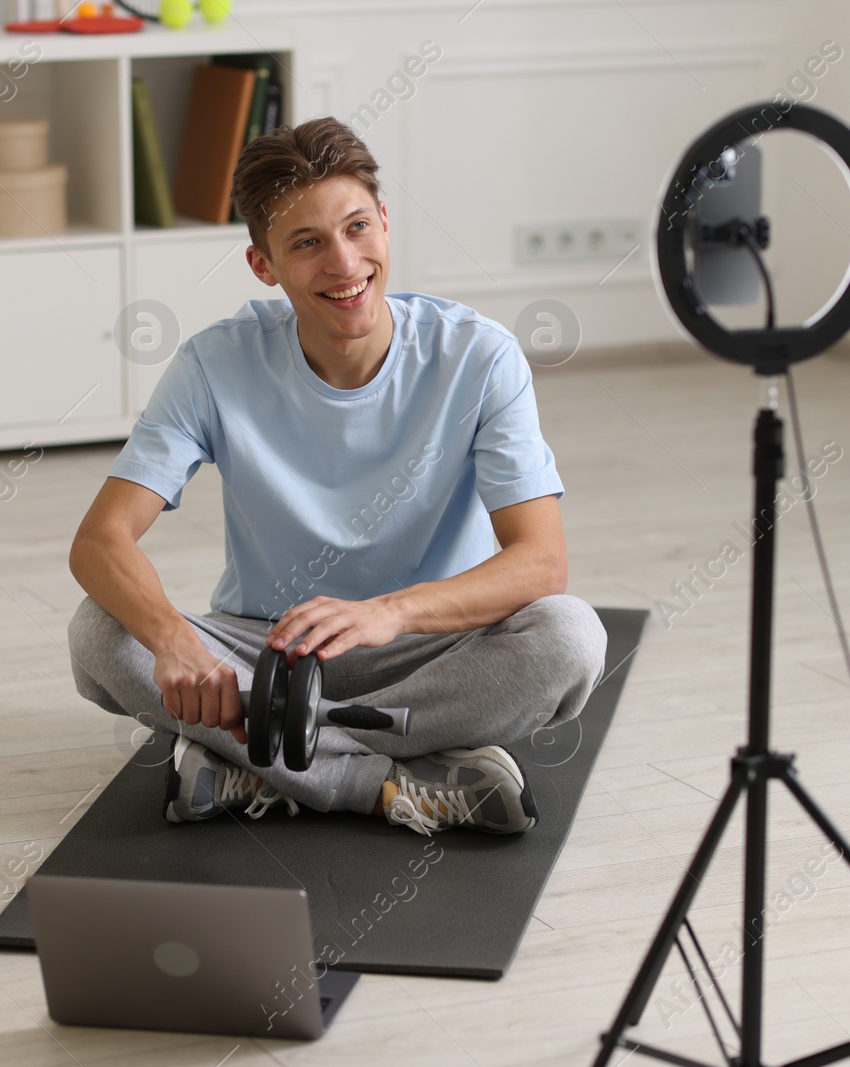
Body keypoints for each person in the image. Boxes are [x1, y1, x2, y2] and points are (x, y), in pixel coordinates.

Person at [67, 116, 606, 836]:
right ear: (264, 264)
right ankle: (383, 781)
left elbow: (542, 562)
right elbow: (100, 541)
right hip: (266, 653)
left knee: (570, 638)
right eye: (308, 243)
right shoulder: (213, 364)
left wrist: (388, 612)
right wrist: (171, 640)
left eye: (357, 228)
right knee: (101, 633)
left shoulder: (480, 356)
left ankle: (258, 766)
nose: (345, 263)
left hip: (428, 649)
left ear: (384, 224)